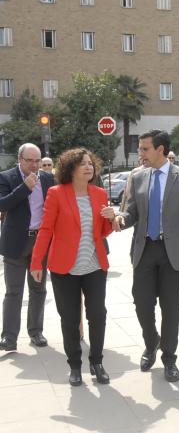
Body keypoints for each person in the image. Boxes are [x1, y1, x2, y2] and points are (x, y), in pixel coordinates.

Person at [110, 130, 179, 382]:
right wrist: (120, 219)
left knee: (170, 308)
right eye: (140, 149)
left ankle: (169, 359)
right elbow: (130, 211)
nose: (140, 153)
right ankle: (151, 342)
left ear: (160, 149)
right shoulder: (137, 176)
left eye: (144, 149)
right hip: (145, 249)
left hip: (174, 252)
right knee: (141, 303)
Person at [30, 148, 114, 386]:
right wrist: (36, 261)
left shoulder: (99, 193)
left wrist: (110, 218)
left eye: (91, 163)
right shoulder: (56, 193)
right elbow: (46, 230)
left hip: (95, 265)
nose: (89, 167)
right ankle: (75, 366)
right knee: (69, 319)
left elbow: (103, 232)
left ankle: (97, 362)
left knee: (98, 315)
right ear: (71, 169)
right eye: (83, 164)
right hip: (64, 268)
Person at [0, 143, 55, 351]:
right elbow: (2, 204)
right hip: (15, 242)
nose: (34, 165)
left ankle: (36, 332)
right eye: (29, 160)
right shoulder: (6, 177)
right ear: (19, 159)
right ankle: (9, 337)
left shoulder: (48, 179)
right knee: (13, 291)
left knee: (38, 290)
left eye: (37, 161)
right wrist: (25, 188)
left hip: (40, 242)